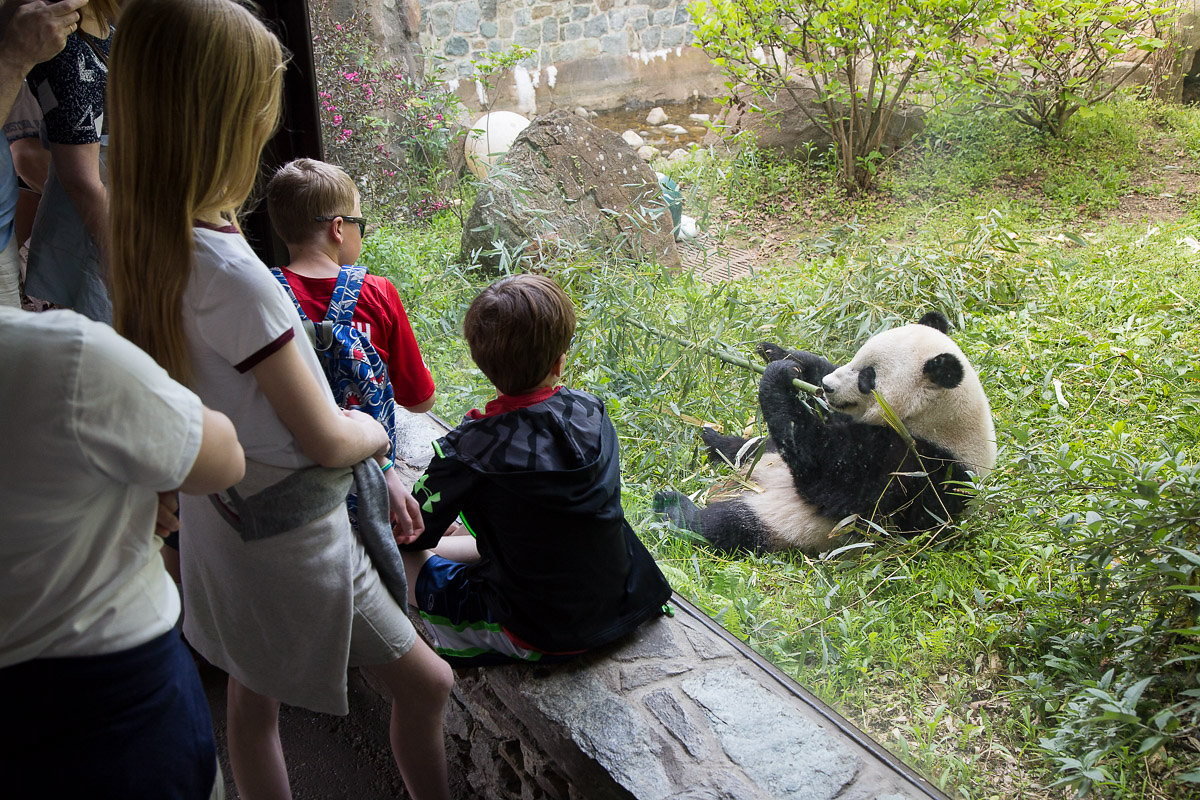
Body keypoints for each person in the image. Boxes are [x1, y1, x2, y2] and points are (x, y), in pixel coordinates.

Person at [107, 2, 452, 798]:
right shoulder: (237, 279)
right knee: (427, 685)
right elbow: (329, 439)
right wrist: (373, 431)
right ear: (225, 120)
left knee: (250, 701)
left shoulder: (145, 234)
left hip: (218, 520)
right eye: (261, 106)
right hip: (289, 533)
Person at [402, 274, 673, 666]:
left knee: (401, 556)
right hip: (627, 596)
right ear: (560, 362)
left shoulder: (468, 451)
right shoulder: (592, 412)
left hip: (541, 628)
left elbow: (411, 536)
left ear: (479, 361)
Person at [265, 158, 436, 417]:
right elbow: (420, 401)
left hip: (287, 451)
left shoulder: (265, 293)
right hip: (367, 454)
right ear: (339, 228)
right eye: (360, 224)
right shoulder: (377, 292)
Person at [23, 0, 119, 320]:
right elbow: (82, 183)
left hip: (119, 212)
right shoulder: (65, 50)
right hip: (97, 228)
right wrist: (127, 267)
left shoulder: (109, 29)